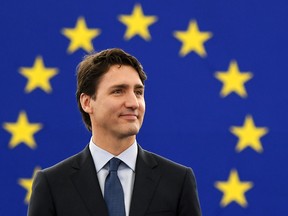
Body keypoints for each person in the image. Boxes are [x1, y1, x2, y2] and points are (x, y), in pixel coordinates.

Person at [28, 48, 202, 216]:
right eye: (118, 91)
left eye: (138, 92)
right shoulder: (51, 184)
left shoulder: (178, 181)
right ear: (87, 102)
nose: (134, 103)